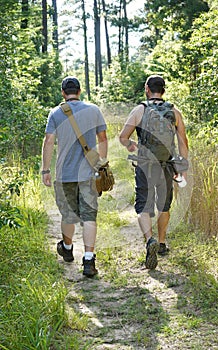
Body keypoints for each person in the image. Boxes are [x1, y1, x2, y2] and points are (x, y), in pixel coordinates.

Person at [119, 75, 188, 269]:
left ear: (147, 89)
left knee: (143, 206)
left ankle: (150, 240)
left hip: (145, 165)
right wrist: (182, 166)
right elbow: (183, 142)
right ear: (163, 90)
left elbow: (123, 137)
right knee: (164, 205)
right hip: (167, 165)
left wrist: (132, 145)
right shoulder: (174, 111)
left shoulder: (139, 110)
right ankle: (162, 243)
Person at [41, 76, 108, 277]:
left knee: (68, 214)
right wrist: (102, 164)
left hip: (64, 174)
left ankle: (68, 249)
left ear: (63, 92)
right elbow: (103, 138)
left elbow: (49, 141)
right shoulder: (94, 110)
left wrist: (45, 170)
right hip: (88, 172)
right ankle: (88, 260)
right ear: (79, 91)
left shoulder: (55, 113)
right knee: (89, 216)